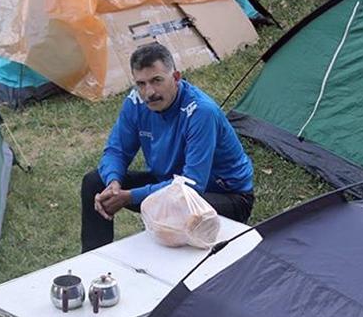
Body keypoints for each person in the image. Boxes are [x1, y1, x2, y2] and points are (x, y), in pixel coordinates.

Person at [81, 42, 255, 252]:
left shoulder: (201, 112)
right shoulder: (136, 103)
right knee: (95, 182)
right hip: (168, 183)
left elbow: (191, 186)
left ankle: (174, 276)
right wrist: (113, 183)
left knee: (177, 212)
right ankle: (92, 260)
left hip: (224, 196)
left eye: (157, 81)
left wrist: (130, 196)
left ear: (176, 77)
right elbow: (116, 150)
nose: (149, 92)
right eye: (141, 84)